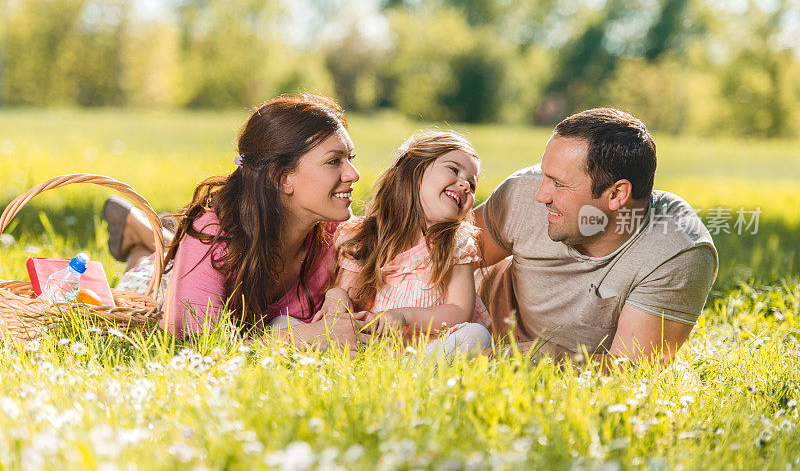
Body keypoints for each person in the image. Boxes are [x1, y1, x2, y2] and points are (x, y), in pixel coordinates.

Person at [105, 94, 370, 350]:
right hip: (162, 288)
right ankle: (140, 235)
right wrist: (301, 336)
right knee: (153, 270)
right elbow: (195, 345)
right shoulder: (211, 234)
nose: (354, 174)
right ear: (282, 178)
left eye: (351, 158)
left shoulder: (340, 236)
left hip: (204, 263)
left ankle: (144, 235)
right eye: (334, 161)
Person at [474, 108, 718, 367]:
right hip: (477, 336)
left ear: (616, 194)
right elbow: (442, 255)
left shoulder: (676, 251)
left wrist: (550, 357)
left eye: (558, 184)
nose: (541, 195)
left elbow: (633, 368)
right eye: (544, 175)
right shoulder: (523, 192)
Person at [315, 131, 491, 357]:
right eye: (454, 170)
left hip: (422, 351)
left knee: (476, 335)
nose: (465, 185)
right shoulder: (364, 235)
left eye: (472, 185)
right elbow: (346, 291)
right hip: (369, 345)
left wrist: (406, 316)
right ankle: (356, 360)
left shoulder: (456, 243)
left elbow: (460, 311)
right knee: (282, 324)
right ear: (413, 171)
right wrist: (336, 300)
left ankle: (414, 370)